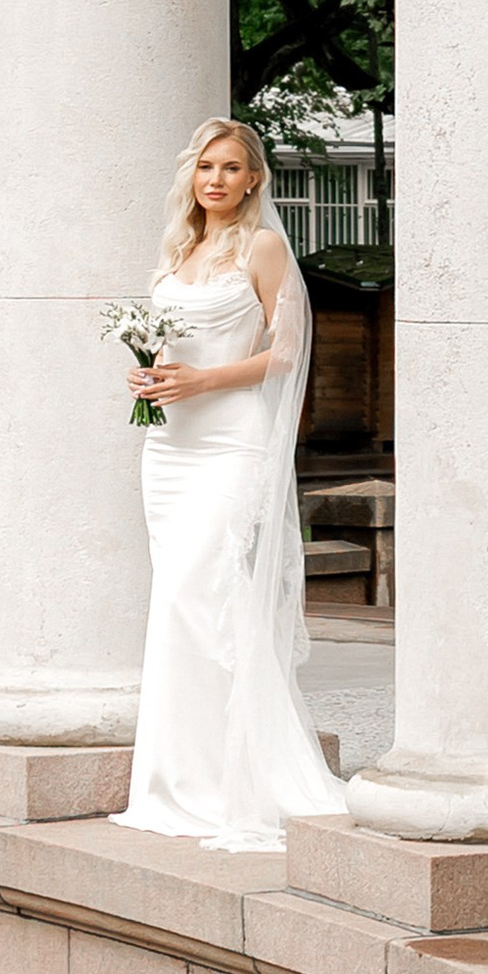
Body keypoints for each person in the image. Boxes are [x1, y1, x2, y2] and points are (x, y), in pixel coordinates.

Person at [115, 117, 337, 851]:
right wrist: (150, 375)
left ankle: (239, 782)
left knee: (203, 593)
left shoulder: (262, 247)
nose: (216, 179)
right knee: (176, 602)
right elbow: (172, 345)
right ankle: (177, 779)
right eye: (206, 166)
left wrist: (205, 380)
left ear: (253, 180)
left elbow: (289, 352)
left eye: (231, 168)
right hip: (169, 446)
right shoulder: (179, 250)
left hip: (231, 440)